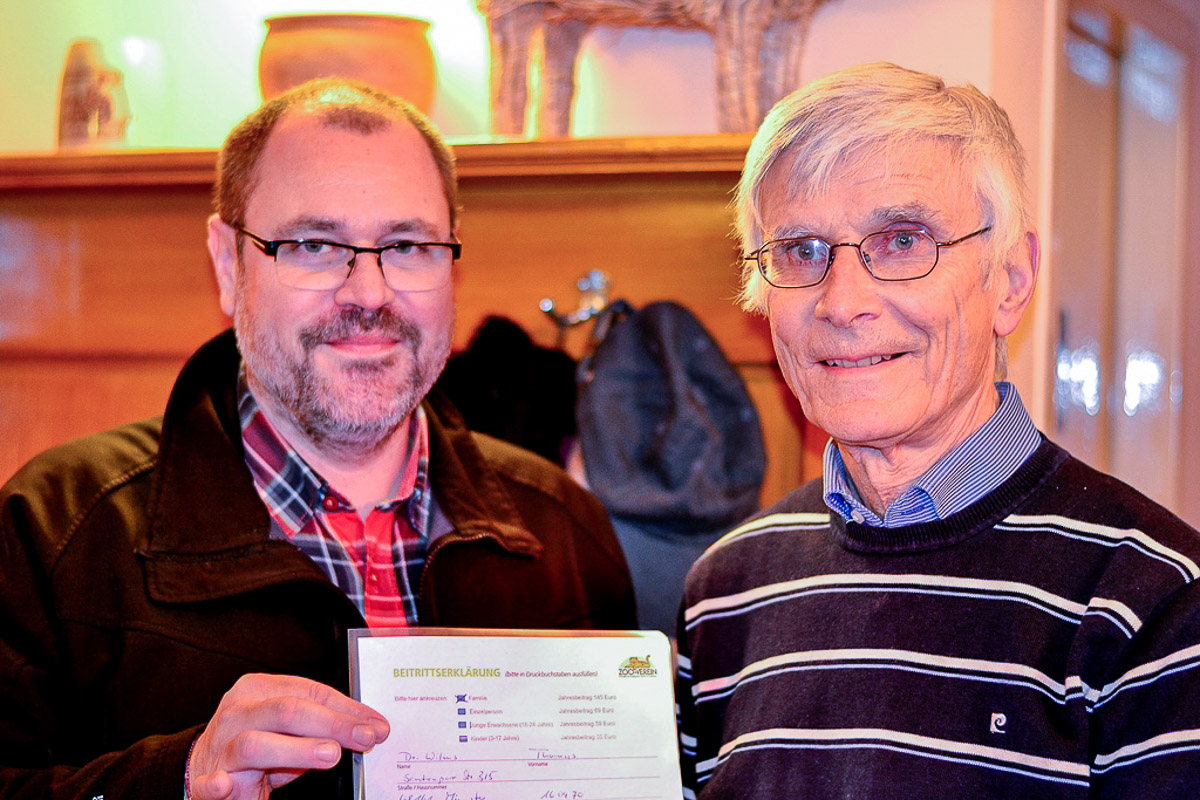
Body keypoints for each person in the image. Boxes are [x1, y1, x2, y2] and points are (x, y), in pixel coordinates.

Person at [0, 79, 635, 800]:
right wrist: (178, 778)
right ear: (226, 263)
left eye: (408, 244)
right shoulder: (55, 528)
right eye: (312, 243)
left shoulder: (566, 530)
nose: (368, 293)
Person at [675, 61, 1200, 799]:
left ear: (1010, 282)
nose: (843, 301)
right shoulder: (724, 592)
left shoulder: (1156, 602)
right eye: (800, 251)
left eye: (900, 240)